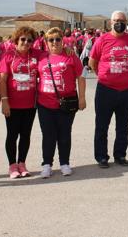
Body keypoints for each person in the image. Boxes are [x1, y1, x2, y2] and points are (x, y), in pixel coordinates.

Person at [89, 11, 128, 168]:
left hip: (126, 90)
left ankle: (120, 155)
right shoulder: (102, 40)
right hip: (106, 89)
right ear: (111, 22)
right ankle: (102, 157)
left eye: (122, 20)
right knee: (102, 125)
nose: (119, 23)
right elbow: (92, 62)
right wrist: (102, 75)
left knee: (123, 126)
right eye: (116, 20)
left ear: (126, 22)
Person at [38, 28, 86, 177]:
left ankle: (64, 162)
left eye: (58, 39)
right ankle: (47, 164)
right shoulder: (40, 57)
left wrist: (82, 98)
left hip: (67, 102)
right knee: (48, 135)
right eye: (51, 40)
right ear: (46, 42)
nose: (54, 42)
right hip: (45, 103)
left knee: (65, 134)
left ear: (62, 40)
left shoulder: (71, 57)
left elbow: (81, 77)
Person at [0, 26, 42, 179]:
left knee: (25, 134)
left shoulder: (37, 54)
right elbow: (2, 80)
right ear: (16, 40)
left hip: (30, 104)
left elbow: (54, 53)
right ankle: (12, 165)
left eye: (30, 40)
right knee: (12, 135)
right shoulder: (8, 56)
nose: (26, 42)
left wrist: (68, 51)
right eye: (23, 39)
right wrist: (4, 101)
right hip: (12, 104)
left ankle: (22, 163)